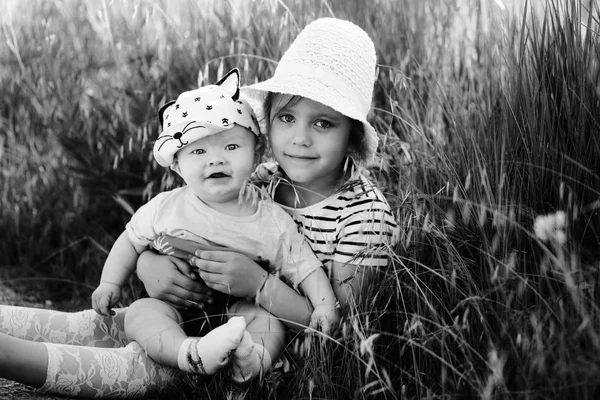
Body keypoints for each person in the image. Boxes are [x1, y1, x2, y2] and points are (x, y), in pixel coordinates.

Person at [0, 17, 397, 398]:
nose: (300, 138)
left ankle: (12, 359)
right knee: (115, 321)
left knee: (139, 366)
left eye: (323, 123)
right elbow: (182, 222)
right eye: (287, 117)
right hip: (194, 317)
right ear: (268, 123)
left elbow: (340, 336)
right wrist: (148, 267)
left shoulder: (365, 218)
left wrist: (258, 285)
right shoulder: (263, 178)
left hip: (263, 357)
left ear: (352, 134)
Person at [91, 67, 340, 382]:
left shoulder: (269, 219)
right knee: (142, 314)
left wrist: (324, 306)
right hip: (174, 310)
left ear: (255, 153)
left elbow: (305, 268)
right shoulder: (166, 208)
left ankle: (251, 362)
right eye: (198, 151)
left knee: (265, 322)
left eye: (231, 147)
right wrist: (110, 283)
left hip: (237, 311)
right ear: (178, 165)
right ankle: (189, 354)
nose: (216, 159)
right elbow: (130, 241)